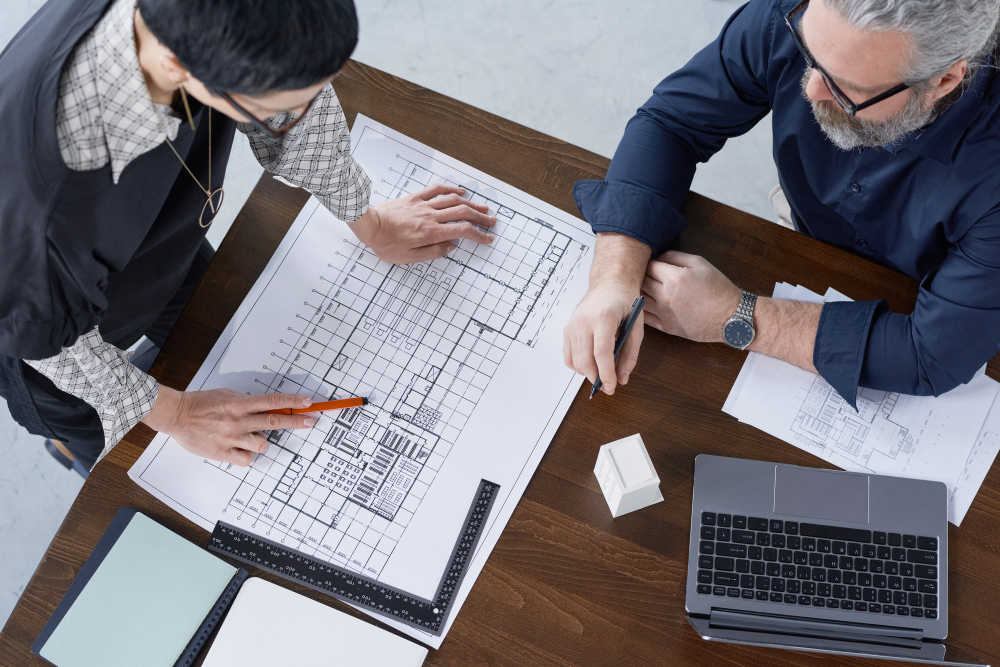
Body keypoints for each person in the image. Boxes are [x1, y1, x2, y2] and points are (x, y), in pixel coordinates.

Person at [0, 0, 499, 474]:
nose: (299, 111)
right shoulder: (41, 200)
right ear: (177, 66)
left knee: (227, 342)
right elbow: (49, 341)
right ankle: (71, 448)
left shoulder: (201, 32)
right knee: (119, 448)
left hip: (162, 245)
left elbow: (294, 107)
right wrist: (176, 414)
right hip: (47, 334)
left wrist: (368, 220)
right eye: (277, 104)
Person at [564, 0, 1000, 407]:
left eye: (846, 87)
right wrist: (615, 273)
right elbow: (673, 122)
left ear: (943, 80)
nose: (809, 89)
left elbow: (929, 355)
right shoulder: (803, 12)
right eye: (809, 53)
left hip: (956, 288)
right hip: (806, 231)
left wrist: (736, 315)